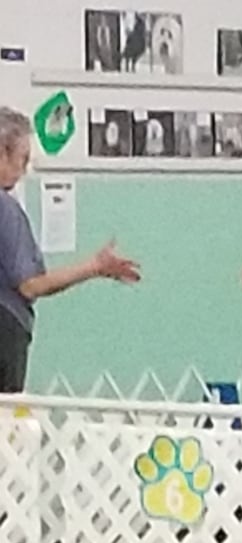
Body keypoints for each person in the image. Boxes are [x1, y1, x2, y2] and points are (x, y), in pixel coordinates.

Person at [0, 106, 141, 394]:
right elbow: (29, 285)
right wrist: (93, 267)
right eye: (22, 159)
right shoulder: (5, 209)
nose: (24, 169)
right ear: (2, 153)